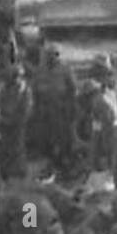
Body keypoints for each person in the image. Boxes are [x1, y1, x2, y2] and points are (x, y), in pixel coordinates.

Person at [32, 45, 78, 173]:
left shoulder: (66, 70)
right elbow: (35, 91)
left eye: (55, 55)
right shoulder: (40, 71)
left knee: (64, 138)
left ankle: (66, 163)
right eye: (49, 55)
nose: (52, 58)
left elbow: (73, 90)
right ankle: (50, 163)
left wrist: (72, 109)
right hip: (45, 111)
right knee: (47, 139)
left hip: (61, 111)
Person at [0, 63, 33, 180]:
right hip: (4, 122)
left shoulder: (24, 89)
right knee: (4, 148)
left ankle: (20, 171)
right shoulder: (5, 87)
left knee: (17, 147)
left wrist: (10, 119)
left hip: (17, 123)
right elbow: (0, 101)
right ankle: (5, 171)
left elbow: (25, 110)